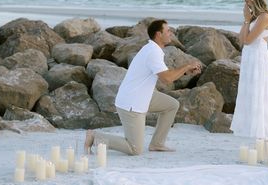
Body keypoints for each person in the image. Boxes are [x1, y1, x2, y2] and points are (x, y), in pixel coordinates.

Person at [84, 19, 201, 155]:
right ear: (158, 34)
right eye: (168, 31)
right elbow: (167, 79)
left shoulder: (152, 49)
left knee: (172, 105)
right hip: (132, 102)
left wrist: (186, 72)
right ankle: (95, 138)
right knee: (135, 149)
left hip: (143, 96)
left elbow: (166, 74)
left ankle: (157, 143)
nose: (171, 33)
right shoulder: (153, 52)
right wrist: (187, 65)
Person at [230, 0, 268, 140]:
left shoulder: (264, 17)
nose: (246, 5)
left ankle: (262, 134)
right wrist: (246, 21)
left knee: (259, 94)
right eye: (244, 1)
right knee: (249, 94)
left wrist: (247, 19)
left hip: (258, 58)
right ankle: (251, 132)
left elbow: (249, 40)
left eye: (247, 1)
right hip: (249, 58)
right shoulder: (254, 18)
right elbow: (242, 40)